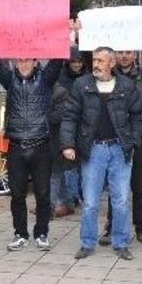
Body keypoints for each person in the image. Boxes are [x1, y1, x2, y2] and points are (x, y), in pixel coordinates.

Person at [61, 47, 142, 261]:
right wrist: (68, 144)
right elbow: (70, 116)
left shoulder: (126, 86)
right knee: (90, 201)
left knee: (121, 200)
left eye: (101, 60)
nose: (96, 64)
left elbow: (137, 115)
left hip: (119, 150)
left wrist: (133, 140)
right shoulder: (83, 85)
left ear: (112, 63)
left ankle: (121, 242)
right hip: (93, 150)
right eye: (94, 60)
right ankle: (87, 243)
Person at [0, 54, 63, 251]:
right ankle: (20, 233)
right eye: (20, 60)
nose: (23, 64)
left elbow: (56, 61)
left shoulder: (45, 80)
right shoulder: (10, 80)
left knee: (43, 193)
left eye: (28, 60)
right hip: (16, 146)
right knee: (17, 194)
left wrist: (68, 38)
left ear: (36, 62)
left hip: (40, 146)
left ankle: (41, 233)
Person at [99, 39, 142, 248]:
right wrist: (79, 37)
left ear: (135, 55)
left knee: (139, 187)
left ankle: (141, 228)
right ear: (114, 57)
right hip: (114, 138)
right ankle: (111, 227)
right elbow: (92, 62)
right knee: (115, 186)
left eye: (128, 52)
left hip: (138, 138)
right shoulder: (106, 77)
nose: (125, 55)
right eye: (121, 52)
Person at [51, 46, 86, 217]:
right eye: (74, 61)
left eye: (79, 61)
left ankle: (73, 199)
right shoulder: (61, 78)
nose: (77, 65)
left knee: (79, 166)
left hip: (84, 125)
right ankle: (68, 200)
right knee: (63, 165)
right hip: (66, 125)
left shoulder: (88, 77)